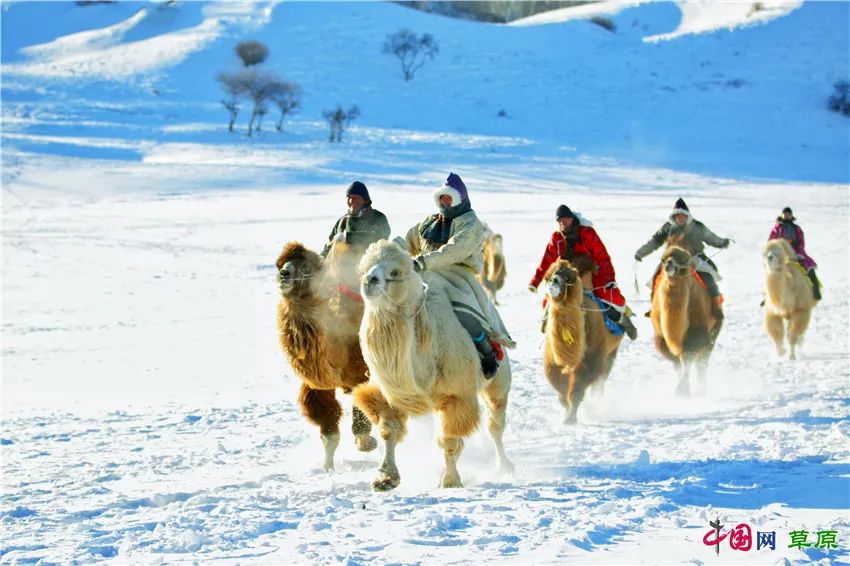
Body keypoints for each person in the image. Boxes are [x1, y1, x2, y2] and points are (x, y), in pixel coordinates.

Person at [403, 172, 513, 378]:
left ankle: (486, 352)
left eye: (449, 198)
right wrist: (390, 253)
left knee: (464, 312)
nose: (444, 203)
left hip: (457, 275)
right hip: (426, 273)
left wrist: (423, 261)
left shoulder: (470, 223)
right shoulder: (430, 222)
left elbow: (455, 250)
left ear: (459, 199)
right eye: (441, 198)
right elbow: (409, 240)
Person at [528, 204, 638, 340]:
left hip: (589, 271)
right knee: (552, 297)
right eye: (559, 221)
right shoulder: (557, 238)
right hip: (567, 274)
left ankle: (624, 320)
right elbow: (546, 260)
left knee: (606, 296)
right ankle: (549, 323)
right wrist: (535, 282)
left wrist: (609, 279)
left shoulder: (587, 233)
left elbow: (602, 257)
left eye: (565, 219)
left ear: (571, 218)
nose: (562, 223)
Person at [634, 198, 730, 318]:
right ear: (674, 216)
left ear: (687, 215)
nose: (680, 218)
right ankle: (654, 306)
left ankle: (715, 306)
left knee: (708, 277)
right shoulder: (667, 227)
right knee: (656, 278)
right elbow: (654, 242)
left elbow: (711, 237)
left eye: (683, 215)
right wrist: (641, 253)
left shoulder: (697, 226)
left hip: (694, 258)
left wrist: (722, 242)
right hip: (672, 259)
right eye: (678, 215)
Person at [320, 181, 391, 258]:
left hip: (369, 262)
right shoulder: (343, 221)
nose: (351, 201)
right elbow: (330, 245)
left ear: (366, 200)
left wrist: (348, 238)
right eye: (349, 198)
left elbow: (380, 238)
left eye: (355, 198)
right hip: (342, 264)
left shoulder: (377, 217)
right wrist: (321, 258)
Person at [768, 207, 821, 300]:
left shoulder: (796, 228)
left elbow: (801, 242)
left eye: (788, 214)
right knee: (773, 273)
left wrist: (799, 253)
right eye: (785, 214)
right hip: (781, 254)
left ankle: (815, 290)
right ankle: (769, 296)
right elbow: (771, 240)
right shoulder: (777, 228)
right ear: (782, 215)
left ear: (791, 216)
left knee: (809, 267)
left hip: (795, 252)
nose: (786, 216)